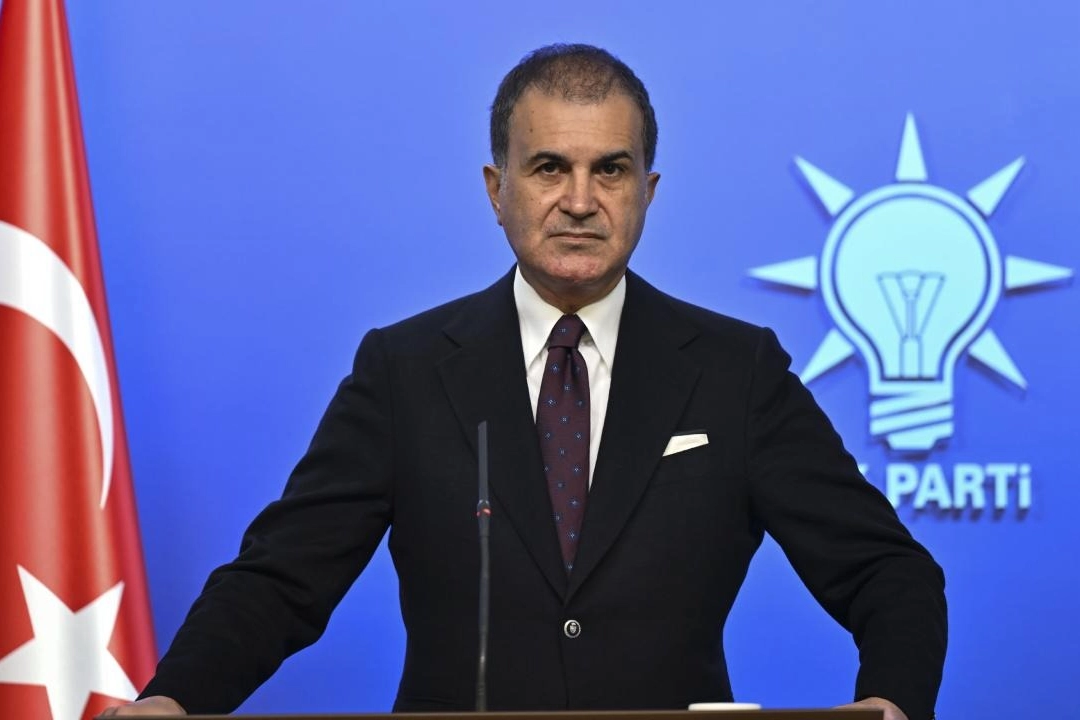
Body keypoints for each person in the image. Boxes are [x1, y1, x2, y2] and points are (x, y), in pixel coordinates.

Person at [103, 44, 946, 720]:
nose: (580, 200)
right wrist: (175, 699)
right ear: (495, 190)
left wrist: (892, 701)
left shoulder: (736, 371)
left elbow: (887, 570)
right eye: (548, 168)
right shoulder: (405, 370)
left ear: (648, 191)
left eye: (610, 170)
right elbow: (281, 579)